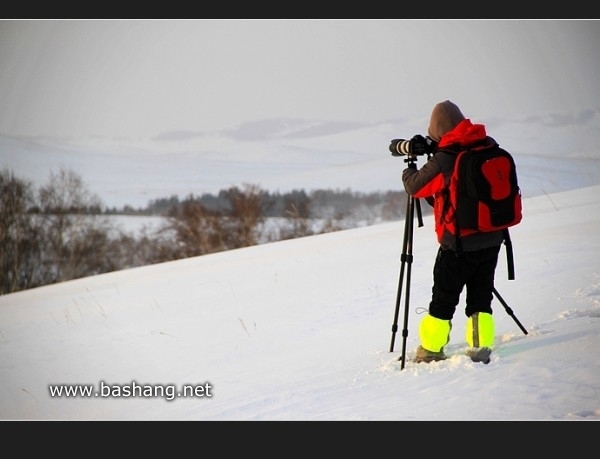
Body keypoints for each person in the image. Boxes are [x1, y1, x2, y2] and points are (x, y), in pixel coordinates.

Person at [402, 100, 504, 364]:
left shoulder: (446, 158)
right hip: (492, 238)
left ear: (437, 131)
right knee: (481, 297)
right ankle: (480, 348)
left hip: (458, 244)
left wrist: (409, 168)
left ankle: (431, 350)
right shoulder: (486, 144)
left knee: (443, 300)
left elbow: (415, 187)